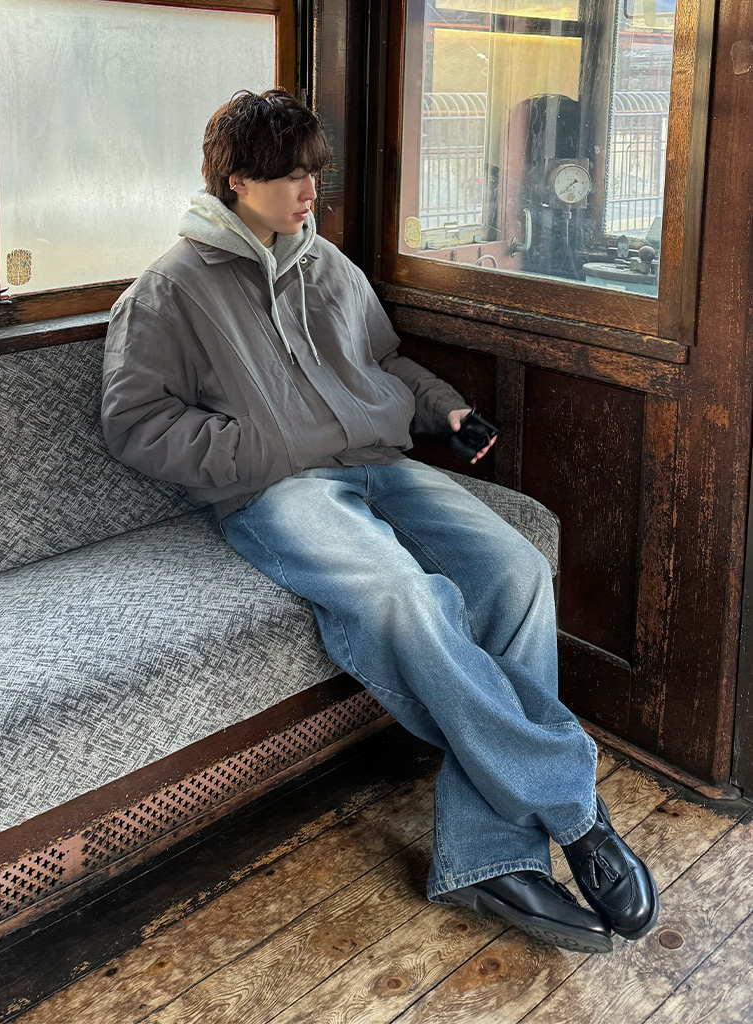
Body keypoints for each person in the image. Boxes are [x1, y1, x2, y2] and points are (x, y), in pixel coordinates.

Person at [101, 88, 659, 954]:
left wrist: (445, 409)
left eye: (313, 175)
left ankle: (488, 859)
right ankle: (575, 812)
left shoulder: (328, 265)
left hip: (381, 466)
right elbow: (135, 424)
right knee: (408, 598)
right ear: (236, 179)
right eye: (289, 177)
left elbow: (383, 360)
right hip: (277, 492)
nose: (308, 193)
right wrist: (256, 446)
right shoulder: (169, 290)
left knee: (515, 569)